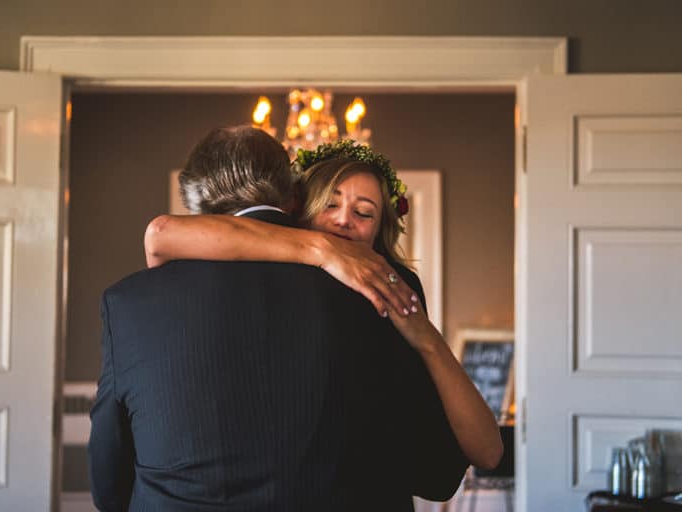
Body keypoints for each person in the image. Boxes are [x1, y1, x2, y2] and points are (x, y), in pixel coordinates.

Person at [88, 126, 478, 512]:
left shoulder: (126, 303)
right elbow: (437, 473)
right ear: (295, 197)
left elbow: (108, 487)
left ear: (196, 206)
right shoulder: (379, 284)